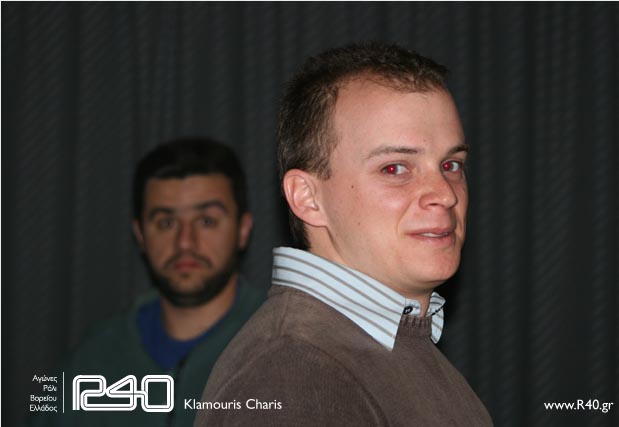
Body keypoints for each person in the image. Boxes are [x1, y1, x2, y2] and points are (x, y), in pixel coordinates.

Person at [195, 43, 493, 426]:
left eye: (451, 165)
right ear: (307, 197)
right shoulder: (294, 372)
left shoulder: (377, 344)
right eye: (395, 169)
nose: (446, 194)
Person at [31, 138, 265, 427]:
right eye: (166, 222)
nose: (185, 242)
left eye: (206, 221)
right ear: (140, 234)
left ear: (243, 229)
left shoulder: (283, 347)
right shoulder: (93, 358)